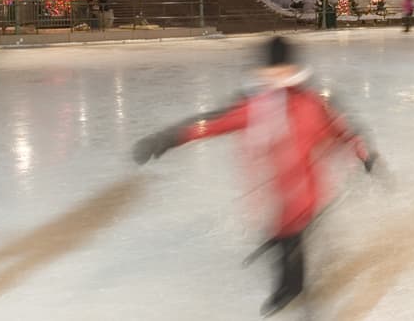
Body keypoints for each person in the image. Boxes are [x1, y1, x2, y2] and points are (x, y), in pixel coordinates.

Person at [132, 36, 378, 317]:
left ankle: (295, 289)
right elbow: (213, 123)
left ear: (291, 67)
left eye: (281, 68)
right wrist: (169, 138)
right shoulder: (254, 105)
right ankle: (288, 282)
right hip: (275, 189)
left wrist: (364, 155)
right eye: (270, 69)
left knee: (291, 240)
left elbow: (343, 130)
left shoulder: (312, 103)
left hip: (304, 188)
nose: (275, 75)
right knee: (279, 235)